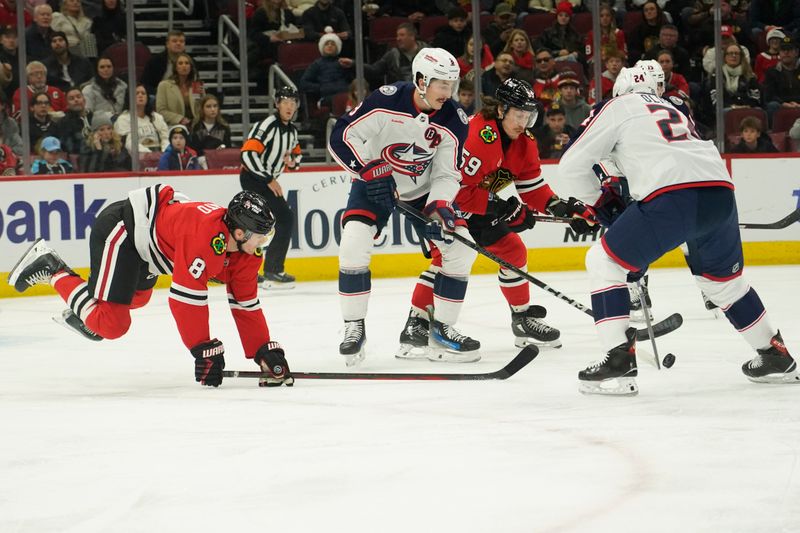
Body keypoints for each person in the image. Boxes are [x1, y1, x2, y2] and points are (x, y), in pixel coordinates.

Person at [555, 64, 798, 396]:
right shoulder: (671, 108)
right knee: (722, 283)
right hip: (719, 192)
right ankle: (775, 355)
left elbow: (571, 165)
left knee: (604, 262)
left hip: (672, 197)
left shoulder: (616, 106)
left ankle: (617, 364)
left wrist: (596, 205)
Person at [8, 187, 294, 388]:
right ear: (240, 232)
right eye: (262, 237)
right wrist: (202, 348)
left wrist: (261, 350)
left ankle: (86, 311)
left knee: (138, 299)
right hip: (123, 232)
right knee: (112, 325)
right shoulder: (205, 236)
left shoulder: (245, 252)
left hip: (149, 250)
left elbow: (245, 302)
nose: (263, 244)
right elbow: (186, 299)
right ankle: (51, 267)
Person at [328, 47, 480, 366]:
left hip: (423, 191)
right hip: (375, 180)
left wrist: (439, 205)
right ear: (421, 80)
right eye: (442, 84)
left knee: (461, 250)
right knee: (354, 240)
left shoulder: (454, 118)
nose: (448, 92)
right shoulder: (387, 100)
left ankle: (442, 330)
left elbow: (448, 172)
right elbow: (342, 135)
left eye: (451, 85)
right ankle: (353, 327)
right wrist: (366, 170)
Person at [452, 79, 594, 351]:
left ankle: (522, 319)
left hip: (478, 206)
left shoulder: (524, 143)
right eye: (518, 114)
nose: (524, 122)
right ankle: (420, 324)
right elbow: (457, 191)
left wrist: (561, 208)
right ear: (502, 109)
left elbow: (533, 188)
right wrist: (502, 208)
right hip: (443, 206)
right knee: (449, 263)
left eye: (528, 115)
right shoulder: (477, 134)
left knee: (513, 251)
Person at [240, 86, 301, 289]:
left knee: (280, 218)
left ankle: (270, 269)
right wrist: (268, 178)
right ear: (277, 104)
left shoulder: (292, 131)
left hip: (265, 181)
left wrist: (292, 162)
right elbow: (247, 154)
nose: (289, 106)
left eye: (293, 102)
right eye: (285, 102)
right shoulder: (267, 125)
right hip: (253, 178)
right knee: (263, 220)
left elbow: (296, 155)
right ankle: (263, 270)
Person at [299, 32, 352, 107]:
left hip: (344, 93)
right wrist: (321, 88)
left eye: (332, 44)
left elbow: (351, 80)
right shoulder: (317, 64)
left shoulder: (343, 62)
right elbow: (304, 83)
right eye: (327, 44)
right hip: (327, 97)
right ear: (322, 47)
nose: (330, 46)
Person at [114, 83, 170, 153]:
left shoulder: (156, 117)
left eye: (143, 93)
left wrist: (164, 152)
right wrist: (149, 154)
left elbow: (165, 138)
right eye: (136, 93)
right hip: (136, 157)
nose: (140, 95)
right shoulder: (123, 119)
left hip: (159, 154)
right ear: (129, 98)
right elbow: (129, 143)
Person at [156, 52, 205, 127]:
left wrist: (201, 97)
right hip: (174, 125)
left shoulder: (196, 85)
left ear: (191, 67)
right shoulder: (164, 85)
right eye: (180, 63)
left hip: (195, 126)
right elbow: (161, 111)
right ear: (175, 67)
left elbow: (202, 108)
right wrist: (179, 119)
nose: (184, 66)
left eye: (187, 63)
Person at [141, 30, 187, 95]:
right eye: (174, 41)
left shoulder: (191, 62)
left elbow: (196, 84)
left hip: (184, 96)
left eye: (181, 41)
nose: (178, 43)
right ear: (167, 44)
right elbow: (145, 85)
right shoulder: (154, 61)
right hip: (160, 96)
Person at [57, 86, 93, 156]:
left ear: (84, 100)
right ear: (67, 104)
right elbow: (69, 147)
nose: (76, 100)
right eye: (71, 99)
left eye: (78, 97)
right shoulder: (64, 123)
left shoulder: (94, 117)